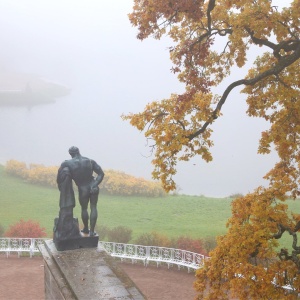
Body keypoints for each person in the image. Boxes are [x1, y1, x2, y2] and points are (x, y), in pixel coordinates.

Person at [58, 146, 105, 236]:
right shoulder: (90, 161)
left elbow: (60, 177)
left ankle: (86, 229)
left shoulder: (67, 163)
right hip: (93, 186)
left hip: (83, 188)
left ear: (71, 154)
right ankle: (92, 232)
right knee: (94, 207)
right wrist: (95, 184)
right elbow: (101, 174)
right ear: (79, 152)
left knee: (84, 209)